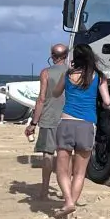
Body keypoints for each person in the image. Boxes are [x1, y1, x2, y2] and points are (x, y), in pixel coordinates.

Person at [50, 44, 110, 219]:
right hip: (87, 125)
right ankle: (71, 209)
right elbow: (107, 101)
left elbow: (55, 93)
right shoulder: (98, 76)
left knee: (62, 170)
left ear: (75, 58)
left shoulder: (68, 75)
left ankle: (68, 202)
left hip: (66, 124)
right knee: (79, 172)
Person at [25, 44, 69, 200]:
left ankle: (44, 189)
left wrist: (33, 123)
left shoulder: (46, 73)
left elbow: (41, 99)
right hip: (69, 118)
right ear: (66, 56)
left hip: (49, 117)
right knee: (66, 155)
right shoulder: (73, 72)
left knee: (48, 155)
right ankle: (66, 191)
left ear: (52, 55)